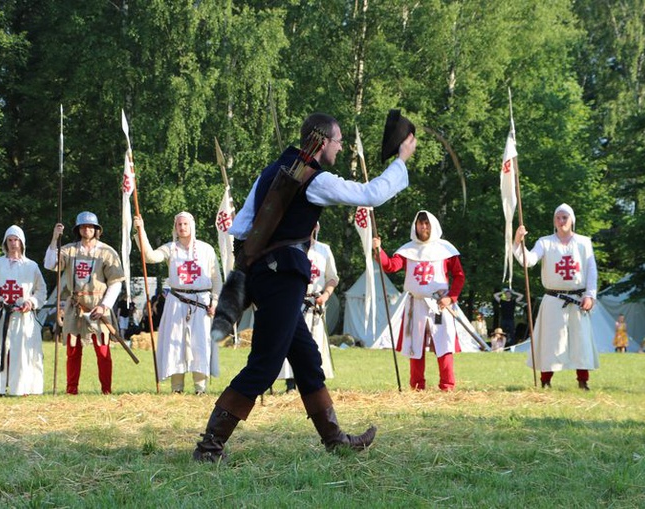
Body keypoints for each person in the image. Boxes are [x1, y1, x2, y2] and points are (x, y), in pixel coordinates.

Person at [193, 111, 416, 462]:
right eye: (338, 142)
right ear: (322, 141)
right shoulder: (314, 179)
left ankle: (334, 440)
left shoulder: (273, 170)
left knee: (307, 360)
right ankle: (209, 446)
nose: (340, 149)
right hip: (281, 277)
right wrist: (401, 160)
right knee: (265, 365)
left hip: (269, 275)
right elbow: (371, 194)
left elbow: (242, 227)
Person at [373, 210, 465, 391]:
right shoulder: (408, 250)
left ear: (433, 225)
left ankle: (447, 385)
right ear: (415, 226)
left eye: (427, 223)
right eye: (420, 223)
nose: (423, 227)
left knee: (444, 343)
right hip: (416, 304)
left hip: (440, 304)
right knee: (415, 345)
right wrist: (379, 250)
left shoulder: (446, 250)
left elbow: (459, 275)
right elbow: (391, 266)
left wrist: (450, 297)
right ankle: (417, 386)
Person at [134, 212, 222, 394]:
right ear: (175, 227)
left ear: (192, 226)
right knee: (176, 343)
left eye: (185, 224)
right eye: (179, 225)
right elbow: (150, 256)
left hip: (201, 303)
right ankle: (177, 389)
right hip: (176, 301)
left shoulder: (206, 249)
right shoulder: (170, 248)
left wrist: (215, 301)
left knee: (201, 343)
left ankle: (200, 388)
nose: (182, 227)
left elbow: (216, 279)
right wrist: (141, 230)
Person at [513, 203, 599, 390]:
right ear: (554, 221)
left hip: (578, 299)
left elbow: (591, 271)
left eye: (565, 217)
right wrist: (518, 242)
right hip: (553, 299)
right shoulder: (545, 242)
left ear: (572, 220)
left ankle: (583, 381)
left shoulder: (584, 242)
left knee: (580, 340)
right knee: (551, 340)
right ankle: (546, 381)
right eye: (558, 218)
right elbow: (529, 261)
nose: (561, 221)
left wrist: (590, 295)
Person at [45, 211, 125, 395]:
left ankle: (106, 390)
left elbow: (116, 282)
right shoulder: (69, 250)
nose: (86, 229)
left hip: (98, 304)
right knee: (73, 350)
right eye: (83, 226)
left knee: (103, 350)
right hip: (75, 305)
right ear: (78, 229)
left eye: (90, 227)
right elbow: (50, 264)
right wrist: (54, 238)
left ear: (96, 230)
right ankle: (71, 390)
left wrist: (104, 306)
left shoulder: (107, 252)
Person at [0, 226, 47, 396]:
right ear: (5, 242)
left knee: (22, 352)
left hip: (22, 315)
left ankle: (22, 388)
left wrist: (31, 302)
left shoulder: (31, 266)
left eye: (16, 240)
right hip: (1, 314)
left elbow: (42, 290)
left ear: (22, 242)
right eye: (9, 240)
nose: (13, 243)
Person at [278, 223, 338, 392]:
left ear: (316, 228)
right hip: (294, 302)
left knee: (314, 344)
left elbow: (332, 278)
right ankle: (291, 384)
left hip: (314, 304)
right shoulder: (289, 249)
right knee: (290, 342)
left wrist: (325, 296)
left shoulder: (324, 250)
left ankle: (313, 383)